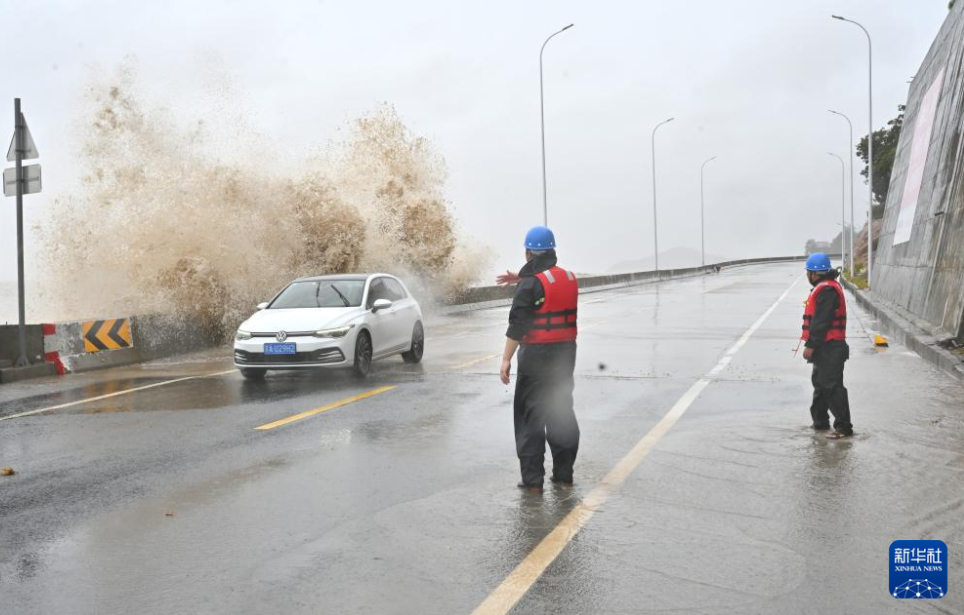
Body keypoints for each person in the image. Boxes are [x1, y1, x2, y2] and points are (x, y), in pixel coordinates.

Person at [497, 226, 579, 494]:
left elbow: (518, 325)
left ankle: (533, 483)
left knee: (530, 416)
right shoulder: (569, 277)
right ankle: (564, 476)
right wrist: (521, 278)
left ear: (528, 252)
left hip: (536, 356)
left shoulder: (531, 284)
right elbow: (546, 283)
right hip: (565, 354)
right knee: (561, 410)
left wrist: (506, 359)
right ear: (552, 250)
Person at [801, 253, 853, 439]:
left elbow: (821, 322)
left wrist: (810, 346)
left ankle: (844, 427)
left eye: (808, 272)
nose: (808, 276)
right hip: (825, 347)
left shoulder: (827, 291)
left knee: (832, 386)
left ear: (815, 274)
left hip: (831, 347)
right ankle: (820, 422)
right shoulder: (825, 288)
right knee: (821, 385)